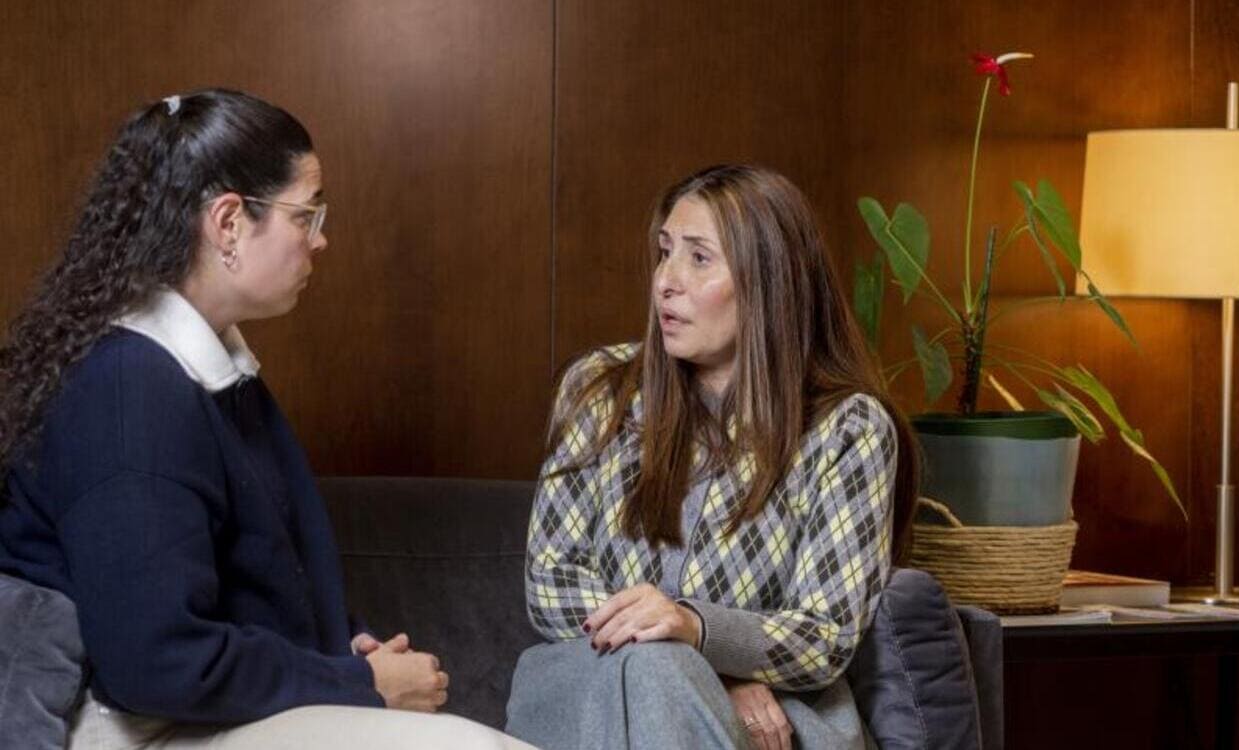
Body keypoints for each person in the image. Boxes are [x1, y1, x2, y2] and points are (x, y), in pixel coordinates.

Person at [0, 89, 531, 750]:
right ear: (228, 223)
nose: (321, 239)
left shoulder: (208, 372)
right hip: (137, 732)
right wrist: (359, 683)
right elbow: (155, 664)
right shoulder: (129, 392)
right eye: (306, 215)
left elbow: (253, 590)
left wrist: (350, 653)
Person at [506, 164, 918, 750]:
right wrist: (703, 668)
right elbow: (552, 583)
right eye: (665, 252)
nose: (665, 281)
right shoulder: (599, 389)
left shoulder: (847, 429)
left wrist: (699, 630)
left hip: (775, 722)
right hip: (592, 688)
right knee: (655, 672)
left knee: (663, 675)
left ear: (768, 281)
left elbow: (824, 636)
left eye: (699, 258)